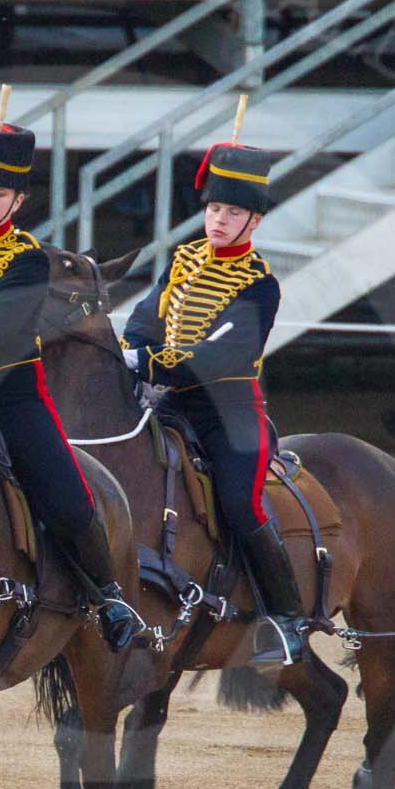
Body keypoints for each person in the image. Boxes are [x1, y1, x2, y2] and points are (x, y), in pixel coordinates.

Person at [0, 119, 142, 651]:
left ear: (17, 201)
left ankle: (108, 595)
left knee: (66, 497)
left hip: (8, 400)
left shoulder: (27, 262)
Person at [121, 141, 302, 668]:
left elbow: (219, 356)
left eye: (233, 212)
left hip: (230, 412)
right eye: (215, 209)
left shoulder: (259, 286)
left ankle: (286, 617)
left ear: (254, 222)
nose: (220, 220)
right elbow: (144, 318)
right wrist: (135, 348)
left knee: (240, 503)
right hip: (169, 402)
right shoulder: (181, 261)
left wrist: (146, 362)